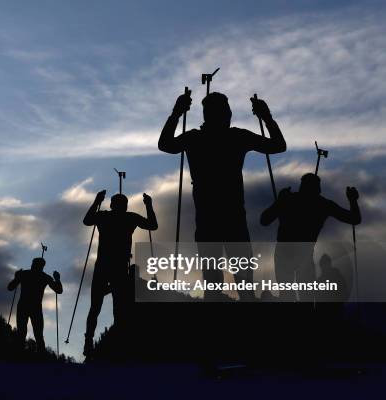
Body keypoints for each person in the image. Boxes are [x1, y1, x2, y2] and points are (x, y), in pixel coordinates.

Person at [159, 91, 286, 300]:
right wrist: (266, 117)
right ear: (226, 113)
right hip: (232, 217)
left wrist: (176, 113)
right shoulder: (236, 137)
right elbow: (278, 145)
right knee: (243, 282)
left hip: (209, 218)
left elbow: (165, 144)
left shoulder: (195, 138)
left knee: (214, 282)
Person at [260, 174, 360, 301]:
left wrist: (279, 202)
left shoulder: (289, 199)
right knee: (305, 296)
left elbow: (264, 220)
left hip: (285, 253)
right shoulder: (323, 204)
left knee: (288, 294)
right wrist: (353, 200)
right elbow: (354, 218)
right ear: (318, 189)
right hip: (303, 254)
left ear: (302, 186)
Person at [82, 190, 157, 356]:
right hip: (118, 266)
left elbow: (87, 220)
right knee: (118, 307)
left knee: (97, 306)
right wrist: (149, 206)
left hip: (104, 265)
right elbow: (153, 225)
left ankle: (89, 341)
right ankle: (116, 344)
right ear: (125, 206)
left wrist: (96, 201)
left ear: (111, 205)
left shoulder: (104, 216)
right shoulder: (130, 217)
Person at [7, 257, 63, 352]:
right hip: (35, 308)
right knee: (38, 334)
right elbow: (59, 290)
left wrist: (16, 277)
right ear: (42, 266)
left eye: (34, 264)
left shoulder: (24, 274)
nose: (33, 266)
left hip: (23, 306)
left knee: (22, 332)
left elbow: (10, 287)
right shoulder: (44, 277)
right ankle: (40, 357)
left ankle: (18, 355)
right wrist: (57, 279)